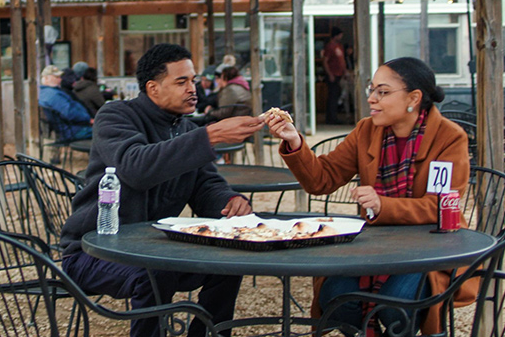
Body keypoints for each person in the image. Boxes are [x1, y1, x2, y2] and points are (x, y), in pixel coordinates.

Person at [60, 43, 264, 337]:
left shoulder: (185, 129)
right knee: (154, 274)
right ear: (153, 88)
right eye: (181, 82)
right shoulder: (114, 116)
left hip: (156, 249)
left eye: (192, 80)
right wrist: (211, 134)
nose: (192, 88)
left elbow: (206, 185)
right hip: (92, 251)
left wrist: (230, 200)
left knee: (228, 263)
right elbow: (136, 168)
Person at [264, 57, 473, 336]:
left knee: (394, 306)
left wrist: (382, 205)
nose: (372, 99)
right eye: (371, 90)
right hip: (372, 247)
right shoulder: (366, 130)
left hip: (428, 253)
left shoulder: (449, 137)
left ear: (414, 97)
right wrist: (294, 141)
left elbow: (441, 207)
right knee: (335, 297)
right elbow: (321, 179)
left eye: (383, 92)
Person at [39, 65, 92, 143]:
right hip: (73, 130)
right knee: (104, 131)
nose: (60, 79)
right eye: (57, 77)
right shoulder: (54, 95)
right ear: (47, 78)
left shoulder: (44, 93)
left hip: (68, 129)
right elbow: (70, 113)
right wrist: (88, 119)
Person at [322, 27, 346, 124]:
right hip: (333, 74)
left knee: (337, 96)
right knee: (332, 96)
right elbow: (325, 61)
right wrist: (330, 74)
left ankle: (334, 116)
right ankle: (331, 118)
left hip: (339, 74)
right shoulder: (330, 46)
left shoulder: (339, 46)